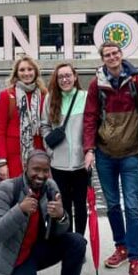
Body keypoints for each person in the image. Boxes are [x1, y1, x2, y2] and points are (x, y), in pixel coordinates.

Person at [82, 41, 138, 275]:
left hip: (131, 154)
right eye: (107, 55)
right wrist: (89, 149)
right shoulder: (96, 85)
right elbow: (90, 117)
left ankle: (135, 259)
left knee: (132, 207)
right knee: (112, 205)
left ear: (121, 55)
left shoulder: (137, 83)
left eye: (115, 53)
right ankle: (121, 247)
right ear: (102, 59)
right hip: (105, 155)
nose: (112, 57)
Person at [40, 63, 88, 235]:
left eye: (68, 75)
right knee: (64, 204)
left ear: (75, 77)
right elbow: (44, 125)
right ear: (56, 79)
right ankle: (68, 242)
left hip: (81, 163)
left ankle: (80, 241)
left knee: (81, 205)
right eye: (61, 77)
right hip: (58, 163)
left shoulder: (85, 97)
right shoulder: (51, 98)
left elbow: (92, 127)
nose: (65, 79)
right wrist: (50, 149)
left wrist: (89, 150)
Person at [0, 57, 46, 180]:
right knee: (14, 196)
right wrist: (2, 162)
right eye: (22, 70)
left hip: (39, 155)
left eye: (30, 69)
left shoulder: (44, 95)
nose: (26, 73)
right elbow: (0, 131)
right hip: (14, 158)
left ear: (36, 72)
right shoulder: (6, 95)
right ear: (16, 73)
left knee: (38, 196)